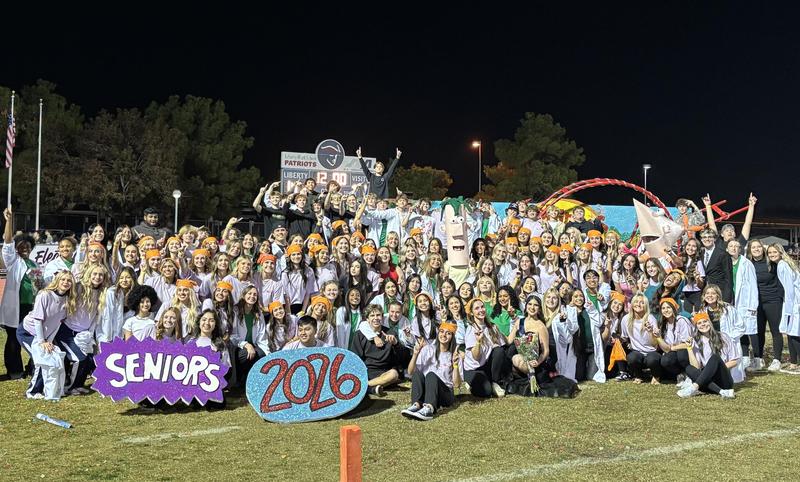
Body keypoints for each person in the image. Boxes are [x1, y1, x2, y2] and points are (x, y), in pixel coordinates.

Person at [16, 270, 77, 399]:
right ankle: (32, 392)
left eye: (69, 280)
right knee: (41, 358)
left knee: (48, 357)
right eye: (63, 279)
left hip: (45, 335)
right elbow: (38, 320)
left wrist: (49, 340)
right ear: (57, 281)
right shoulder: (44, 295)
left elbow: (57, 324)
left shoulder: (67, 300)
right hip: (28, 332)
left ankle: (45, 388)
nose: (66, 282)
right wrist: (42, 341)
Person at [2, 207, 41, 379]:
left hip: (31, 307)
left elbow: (40, 285)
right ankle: (14, 370)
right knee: (13, 339)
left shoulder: (34, 264)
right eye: (21, 245)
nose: (24, 248)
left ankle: (33, 366)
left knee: (33, 336)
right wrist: (9, 221)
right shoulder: (12, 261)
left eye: (28, 245)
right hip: (15, 307)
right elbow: (8, 242)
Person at [402, 321, 460, 421]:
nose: (444, 335)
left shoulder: (453, 355)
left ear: (452, 337)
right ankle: (416, 405)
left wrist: (455, 365)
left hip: (445, 394)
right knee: (418, 373)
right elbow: (410, 372)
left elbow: (457, 384)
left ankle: (429, 409)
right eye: (441, 331)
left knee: (431, 375)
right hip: (428, 391)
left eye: (448, 333)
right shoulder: (427, 349)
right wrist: (415, 354)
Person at [677, 312, 739, 399]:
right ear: (696, 327)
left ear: (709, 322)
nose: (703, 325)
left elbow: (735, 361)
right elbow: (696, 366)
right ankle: (722, 392)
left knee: (715, 358)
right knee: (689, 368)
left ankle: (694, 387)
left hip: (723, 380)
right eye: (699, 323)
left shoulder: (723, 336)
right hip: (707, 381)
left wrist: (716, 369)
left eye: (705, 321)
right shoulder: (696, 341)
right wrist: (689, 348)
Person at [462, 298, 511, 398]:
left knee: (499, 350)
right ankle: (469, 384)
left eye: (482, 307)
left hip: (486, 365)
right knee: (486, 392)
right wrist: (479, 342)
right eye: (476, 308)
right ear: (471, 313)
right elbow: (476, 357)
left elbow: (507, 342)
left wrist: (514, 321)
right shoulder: (471, 329)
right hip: (474, 368)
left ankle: (494, 382)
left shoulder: (492, 326)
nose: (481, 310)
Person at [353, 304, 401, 396]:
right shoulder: (359, 335)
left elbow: (400, 359)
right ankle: (370, 389)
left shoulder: (390, 333)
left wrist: (396, 344)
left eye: (378, 315)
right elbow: (356, 357)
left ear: (382, 317)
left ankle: (362, 387)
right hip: (366, 370)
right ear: (367, 319)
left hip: (384, 372)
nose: (376, 318)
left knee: (394, 375)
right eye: (372, 315)